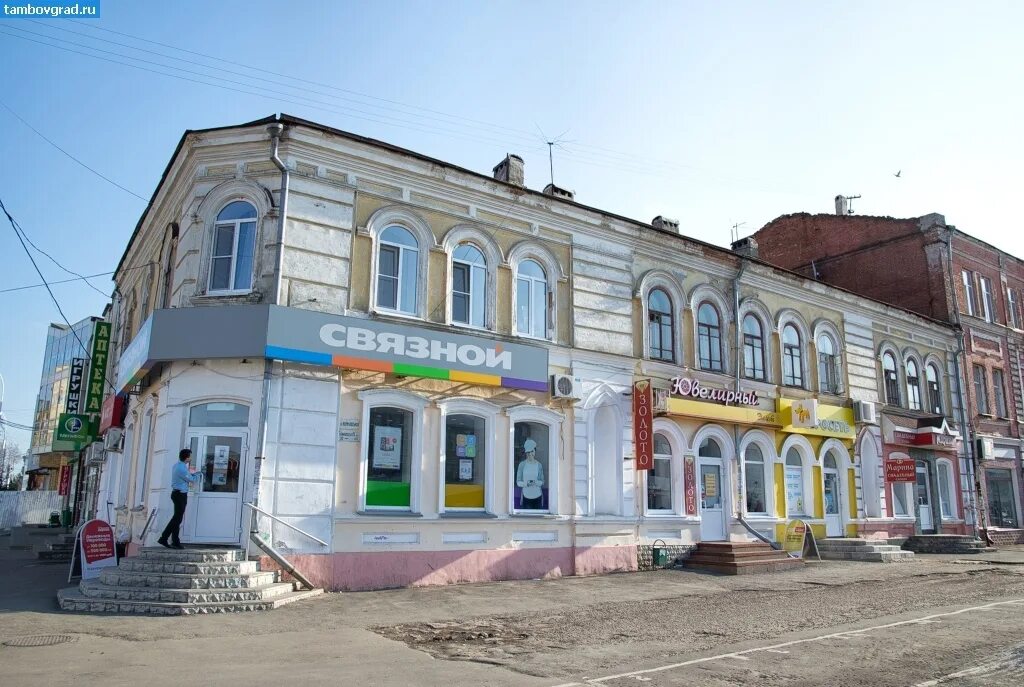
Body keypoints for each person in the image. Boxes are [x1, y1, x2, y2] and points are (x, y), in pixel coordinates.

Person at [158, 448, 202, 549]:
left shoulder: (177, 465)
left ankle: (175, 541)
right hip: (180, 495)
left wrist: (192, 475)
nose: (191, 458)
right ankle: (164, 538)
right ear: (187, 457)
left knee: (177, 519)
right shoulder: (181, 468)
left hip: (177, 494)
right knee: (177, 519)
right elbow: (191, 479)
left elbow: (187, 477)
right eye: (190, 456)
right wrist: (199, 475)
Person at [515, 438, 545, 510]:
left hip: (538, 497)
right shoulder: (522, 465)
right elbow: (518, 482)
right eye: (528, 452)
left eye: (532, 451)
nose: (530, 454)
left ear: (535, 451)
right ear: (526, 453)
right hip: (526, 497)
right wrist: (526, 484)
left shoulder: (539, 465)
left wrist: (536, 482)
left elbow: (542, 481)